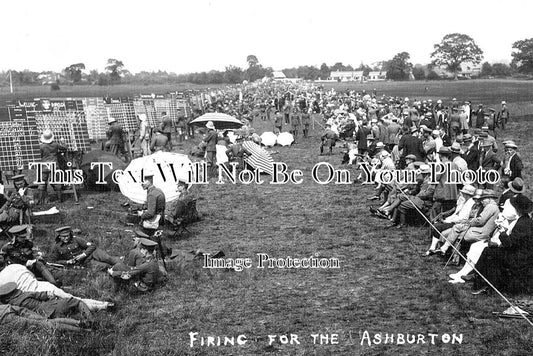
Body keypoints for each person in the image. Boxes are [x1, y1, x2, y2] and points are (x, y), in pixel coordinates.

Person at [472, 195, 533, 294]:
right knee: (488, 250)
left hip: (520, 258)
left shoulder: (523, 224)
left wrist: (502, 231)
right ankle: (479, 277)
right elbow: (513, 243)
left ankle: (486, 282)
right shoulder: (524, 220)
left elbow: (509, 243)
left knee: (491, 254)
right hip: (518, 253)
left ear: (517, 209)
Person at [0, 281, 92, 320]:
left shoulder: (9, 304)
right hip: (52, 307)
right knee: (77, 302)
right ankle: (91, 319)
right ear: (14, 291)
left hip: (44, 317)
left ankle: (77, 318)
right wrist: (51, 294)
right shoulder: (26, 294)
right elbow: (44, 294)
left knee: (72, 314)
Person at [48, 226, 121, 269]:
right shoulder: (56, 247)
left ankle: (125, 266)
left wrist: (83, 255)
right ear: (59, 237)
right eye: (64, 237)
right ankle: (118, 270)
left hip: (90, 254)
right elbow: (54, 261)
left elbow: (92, 245)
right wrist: (67, 262)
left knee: (107, 258)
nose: (66, 238)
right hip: (85, 262)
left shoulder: (75, 239)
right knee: (105, 266)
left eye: (67, 236)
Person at [38, 130, 68, 205]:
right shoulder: (55, 144)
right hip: (54, 165)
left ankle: (40, 201)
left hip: (44, 166)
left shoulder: (41, 146)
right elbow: (65, 148)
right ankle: (60, 199)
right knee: (57, 181)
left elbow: (39, 155)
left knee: (42, 183)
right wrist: (63, 142)